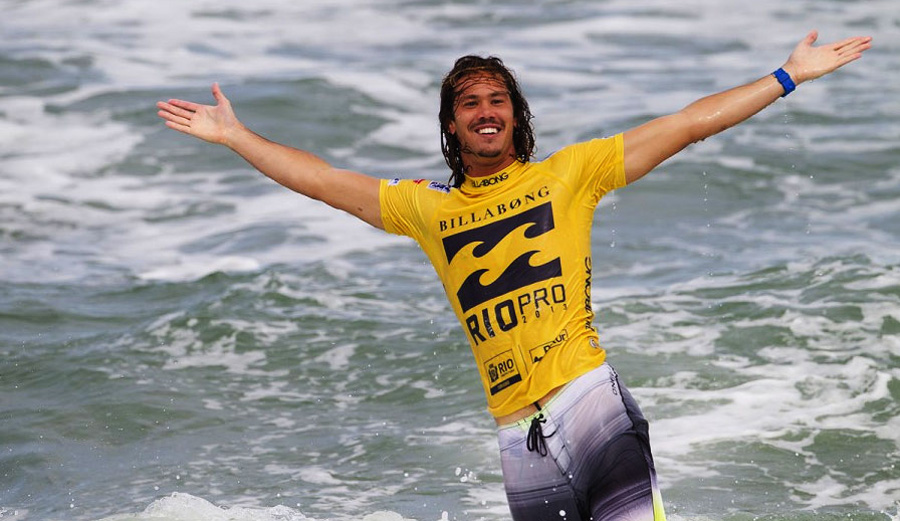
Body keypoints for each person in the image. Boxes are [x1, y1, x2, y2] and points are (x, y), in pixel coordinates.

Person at [157, 30, 871, 521]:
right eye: (469, 103)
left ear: (516, 116)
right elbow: (321, 181)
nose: (485, 111)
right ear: (452, 126)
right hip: (517, 435)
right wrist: (237, 136)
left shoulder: (570, 174)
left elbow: (687, 125)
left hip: (588, 400)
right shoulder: (426, 209)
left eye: (497, 99)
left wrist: (786, 77)